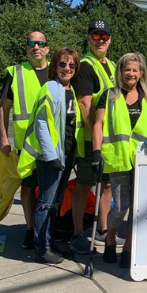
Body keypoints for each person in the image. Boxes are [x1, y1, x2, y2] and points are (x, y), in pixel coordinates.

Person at [90, 52, 147, 270]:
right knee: (120, 207)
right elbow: (98, 124)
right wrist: (96, 151)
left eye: (135, 70)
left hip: (142, 159)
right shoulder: (109, 95)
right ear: (120, 71)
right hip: (118, 158)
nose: (131, 73)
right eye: (127, 69)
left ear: (141, 73)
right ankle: (110, 240)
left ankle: (129, 247)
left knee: (137, 208)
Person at [73, 20, 117, 260]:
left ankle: (102, 229)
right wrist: (95, 137)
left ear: (110, 39)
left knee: (106, 185)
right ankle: (78, 233)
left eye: (105, 36)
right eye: (96, 36)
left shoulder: (112, 65)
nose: (101, 40)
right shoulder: (86, 66)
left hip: (108, 140)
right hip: (91, 140)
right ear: (88, 38)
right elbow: (84, 104)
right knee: (83, 185)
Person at [6, 31, 51, 252]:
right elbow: (4, 108)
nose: (36, 47)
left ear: (47, 48)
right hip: (26, 144)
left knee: (50, 189)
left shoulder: (57, 70)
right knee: (28, 187)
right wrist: (3, 138)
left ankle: (48, 230)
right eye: (32, 43)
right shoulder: (16, 72)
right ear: (26, 47)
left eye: (41, 43)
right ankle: (30, 229)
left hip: (52, 142)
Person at [47, 48, 84, 257]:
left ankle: (50, 240)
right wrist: (51, 155)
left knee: (56, 201)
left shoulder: (72, 90)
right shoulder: (52, 88)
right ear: (55, 66)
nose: (67, 68)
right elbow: (42, 125)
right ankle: (43, 247)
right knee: (47, 202)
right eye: (62, 64)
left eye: (72, 65)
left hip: (69, 152)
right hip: (54, 154)